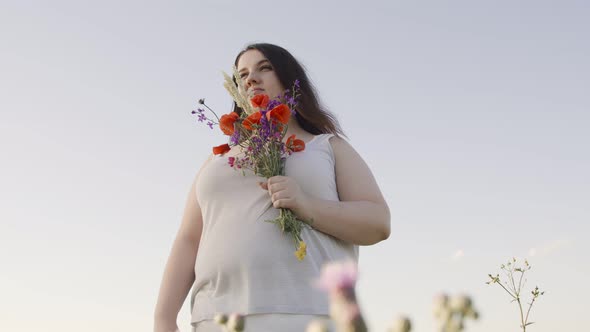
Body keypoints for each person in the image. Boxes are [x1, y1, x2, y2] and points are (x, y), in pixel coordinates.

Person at [154, 43, 391, 332]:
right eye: (242, 75)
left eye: (264, 68)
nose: (251, 78)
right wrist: (163, 319)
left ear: (291, 80)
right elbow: (189, 239)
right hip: (215, 318)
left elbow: (378, 222)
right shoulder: (217, 160)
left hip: (306, 315)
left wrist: (306, 205)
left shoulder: (328, 147)